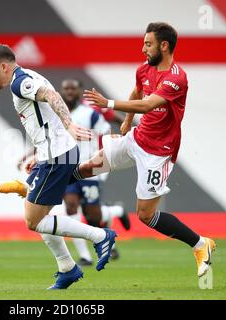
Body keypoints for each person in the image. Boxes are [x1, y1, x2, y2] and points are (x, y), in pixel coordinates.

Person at [80, 22, 216, 278]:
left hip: (159, 152)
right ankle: (46, 183)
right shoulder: (144, 69)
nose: (143, 49)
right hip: (137, 138)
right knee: (90, 165)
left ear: (164, 46)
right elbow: (138, 91)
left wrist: (108, 103)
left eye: (148, 44)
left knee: (146, 215)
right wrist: (127, 120)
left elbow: (147, 105)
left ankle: (200, 244)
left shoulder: (177, 78)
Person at [0, 44, 117, 289]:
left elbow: (51, 97)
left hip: (57, 157)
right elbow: (45, 114)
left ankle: (100, 236)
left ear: (3, 66)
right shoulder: (30, 75)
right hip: (53, 155)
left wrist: (69, 125)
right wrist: (41, 153)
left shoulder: (19, 82)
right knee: (36, 211)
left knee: (34, 220)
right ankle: (67, 268)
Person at [5, 79, 131, 266]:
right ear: (61, 92)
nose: (69, 92)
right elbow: (51, 141)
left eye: (73, 88)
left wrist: (102, 158)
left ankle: (116, 211)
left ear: (79, 91)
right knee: (71, 206)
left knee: (92, 215)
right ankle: (84, 256)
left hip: (90, 168)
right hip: (64, 165)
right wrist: (34, 157)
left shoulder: (90, 114)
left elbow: (106, 134)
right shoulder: (56, 114)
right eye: (66, 89)